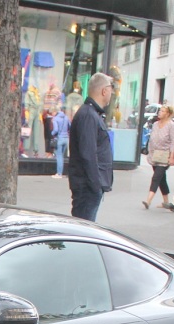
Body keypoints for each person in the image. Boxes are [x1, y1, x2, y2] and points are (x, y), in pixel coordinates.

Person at [67, 73, 114, 222]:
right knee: (83, 232)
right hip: (87, 188)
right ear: (104, 91)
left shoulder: (91, 114)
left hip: (89, 186)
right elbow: (88, 154)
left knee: (84, 230)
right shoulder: (88, 115)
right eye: (111, 89)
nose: (112, 93)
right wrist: (96, 185)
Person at [142, 105, 174, 210]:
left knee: (156, 177)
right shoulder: (155, 124)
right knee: (162, 179)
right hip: (154, 154)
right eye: (160, 111)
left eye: (162, 111)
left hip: (164, 155)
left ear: (168, 114)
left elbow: (173, 142)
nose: (160, 112)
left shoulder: (171, 126)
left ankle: (148, 200)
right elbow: (152, 138)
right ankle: (166, 202)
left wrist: (172, 156)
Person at [50, 107, 70, 179]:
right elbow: (70, 127)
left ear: (55, 112)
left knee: (59, 156)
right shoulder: (66, 118)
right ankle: (61, 172)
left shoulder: (55, 119)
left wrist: (52, 133)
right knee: (61, 156)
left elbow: (55, 130)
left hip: (59, 138)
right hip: (66, 138)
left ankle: (59, 173)